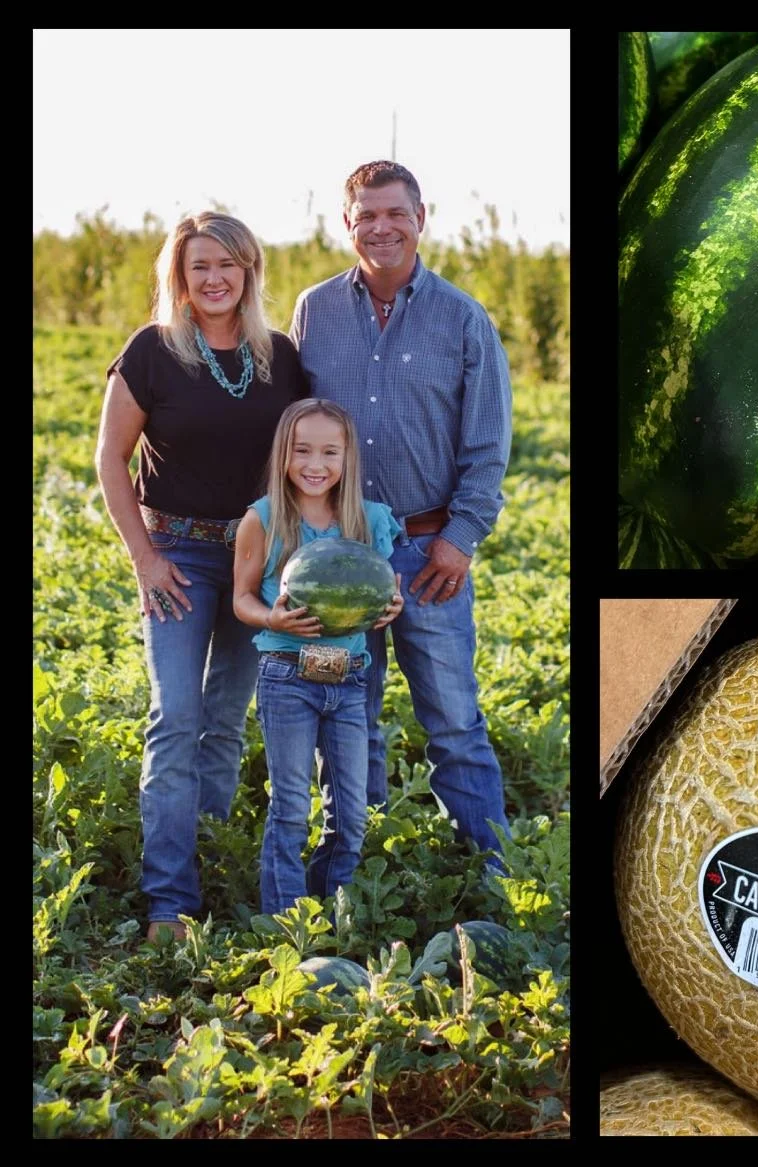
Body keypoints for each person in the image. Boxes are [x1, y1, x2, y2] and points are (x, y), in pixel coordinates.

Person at [290, 161, 512, 865]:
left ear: (422, 217)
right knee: (340, 708)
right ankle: (351, 862)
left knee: (452, 717)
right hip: (333, 551)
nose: (381, 228)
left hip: (427, 556)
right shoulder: (313, 311)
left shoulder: (463, 317)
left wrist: (460, 539)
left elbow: (487, 443)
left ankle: (496, 869)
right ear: (346, 223)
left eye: (395, 213)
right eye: (367, 216)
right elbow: (294, 430)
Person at [95, 212, 308, 943]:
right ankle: (168, 902)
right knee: (176, 716)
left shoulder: (280, 355)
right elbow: (109, 461)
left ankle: (210, 858)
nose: (214, 278)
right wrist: (144, 558)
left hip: (255, 558)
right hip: (177, 558)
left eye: (227, 264)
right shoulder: (153, 352)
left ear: (248, 270)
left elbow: (307, 455)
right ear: (179, 279)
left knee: (225, 718)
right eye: (198, 267)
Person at [232, 399, 404, 915]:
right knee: (289, 809)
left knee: (351, 814)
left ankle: (330, 909)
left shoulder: (369, 522)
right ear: (283, 454)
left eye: (330, 451)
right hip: (287, 676)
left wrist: (389, 606)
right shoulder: (263, 519)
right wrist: (272, 619)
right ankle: (287, 921)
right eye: (302, 450)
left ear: (348, 458)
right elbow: (241, 599)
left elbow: (383, 593)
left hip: (349, 679)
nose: (316, 463)